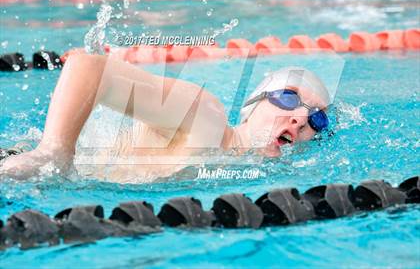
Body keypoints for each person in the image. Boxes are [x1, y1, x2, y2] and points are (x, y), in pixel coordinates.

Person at [0, 53, 330, 182]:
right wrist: (54, 152)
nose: (300, 119)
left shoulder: (237, 170)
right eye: (289, 98)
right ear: (253, 103)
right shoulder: (207, 117)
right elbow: (88, 67)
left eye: (317, 120)